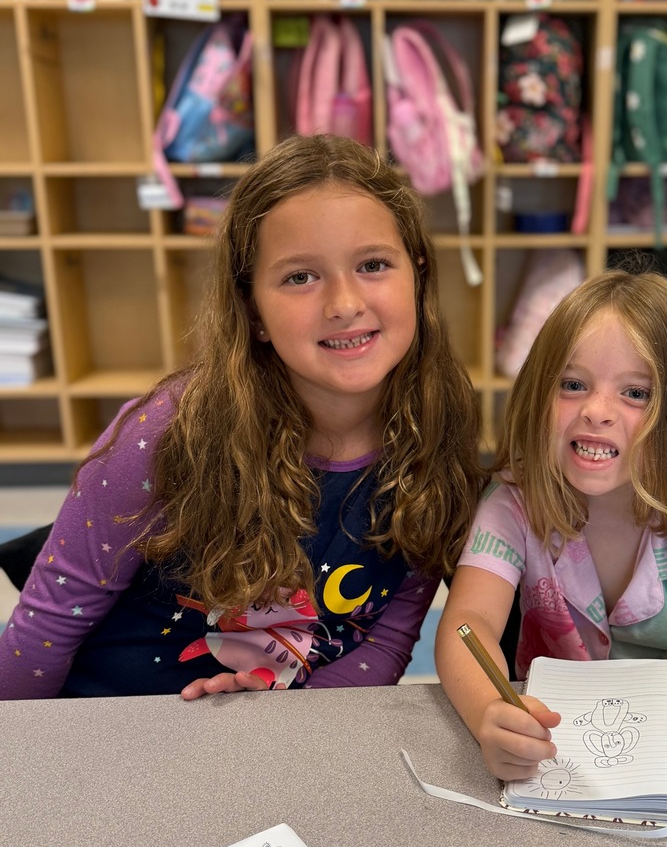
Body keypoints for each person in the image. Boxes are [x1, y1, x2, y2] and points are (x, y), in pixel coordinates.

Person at [0, 134, 485, 699]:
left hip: (280, 737)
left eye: (373, 264)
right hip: (115, 722)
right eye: (300, 276)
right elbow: (45, 629)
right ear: (253, 309)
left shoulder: (438, 436)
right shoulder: (169, 431)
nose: (344, 304)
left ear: (418, 275)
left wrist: (288, 728)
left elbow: (385, 640)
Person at [435, 268, 667, 780]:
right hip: (555, 758)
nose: (596, 411)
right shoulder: (514, 506)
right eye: (572, 384)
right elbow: (466, 624)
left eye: (637, 394)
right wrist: (487, 714)